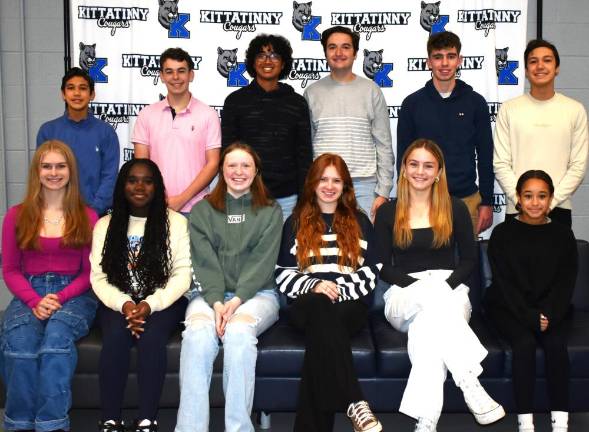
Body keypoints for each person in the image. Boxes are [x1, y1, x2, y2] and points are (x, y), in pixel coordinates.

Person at [374, 139, 505, 431]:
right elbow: (382, 267)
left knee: (428, 330)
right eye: (414, 164)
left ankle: (427, 419)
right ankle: (469, 382)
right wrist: (420, 287)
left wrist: (441, 286)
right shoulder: (387, 212)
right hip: (403, 294)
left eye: (428, 165)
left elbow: (469, 261)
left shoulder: (455, 208)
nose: (420, 171)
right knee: (432, 308)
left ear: (438, 172)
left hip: (450, 289)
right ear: (404, 170)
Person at [175, 143, 283, 432]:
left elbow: (262, 263)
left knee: (238, 333)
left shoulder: (271, 211)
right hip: (209, 295)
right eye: (231, 165)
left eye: (245, 165)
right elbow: (204, 262)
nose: (238, 172)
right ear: (221, 171)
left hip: (258, 294)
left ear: (256, 171)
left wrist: (235, 302)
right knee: (197, 336)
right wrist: (217, 303)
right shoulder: (202, 211)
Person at [275, 153, 382, 432]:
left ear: (345, 186)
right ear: (312, 183)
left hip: (349, 307)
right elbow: (282, 275)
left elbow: (371, 273)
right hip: (305, 305)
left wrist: (338, 290)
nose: (330, 186)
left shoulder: (360, 222)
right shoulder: (295, 222)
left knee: (320, 342)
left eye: (337, 180)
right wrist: (314, 285)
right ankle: (354, 399)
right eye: (323, 179)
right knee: (320, 305)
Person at [1, 140, 98, 432]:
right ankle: (19, 425)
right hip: (28, 293)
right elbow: (10, 269)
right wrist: (34, 300)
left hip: (75, 294)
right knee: (20, 347)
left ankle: (51, 426)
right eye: (47, 166)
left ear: (70, 171)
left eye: (60, 166)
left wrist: (60, 296)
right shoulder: (16, 216)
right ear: (37, 171)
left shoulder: (87, 216)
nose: (53, 172)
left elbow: (89, 273)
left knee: (55, 342)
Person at [90, 159, 191, 432]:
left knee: (151, 338)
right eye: (132, 180)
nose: (139, 186)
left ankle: (147, 419)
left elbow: (182, 275)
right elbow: (98, 277)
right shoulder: (105, 226)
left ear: (157, 187)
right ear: (123, 186)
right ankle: (110, 419)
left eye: (147, 181)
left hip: (163, 301)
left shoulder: (176, 223)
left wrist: (148, 304)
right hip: (117, 301)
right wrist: (125, 305)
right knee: (114, 337)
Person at [484, 170, 577, 432]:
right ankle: (526, 422)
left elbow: (565, 283)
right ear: (518, 198)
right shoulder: (502, 234)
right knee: (523, 344)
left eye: (541, 196)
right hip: (508, 307)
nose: (535, 202)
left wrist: (547, 314)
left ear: (550, 200)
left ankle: (561, 422)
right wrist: (530, 317)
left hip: (552, 310)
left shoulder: (563, 235)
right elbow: (504, 284)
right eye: (528, 196)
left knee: (556, 345)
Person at [396, 31, 494, 236]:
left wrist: (487, 201)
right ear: (428, 62)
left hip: (467, 199)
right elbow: (404, 159)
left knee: (466, 263)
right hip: (423, 200)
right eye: (438, 57)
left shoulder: (475, 103)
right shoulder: (412, 104)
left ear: (459, 60)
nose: (444, 63)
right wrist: (404, 199)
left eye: (450, 56)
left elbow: (485, 156)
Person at [494, 39, 588, 227]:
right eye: (533, 61)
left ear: (557, 68)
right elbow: (501, 163)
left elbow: (578, 166)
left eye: (547, 60)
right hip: (517, 208)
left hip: (558, 208)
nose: (540, 66)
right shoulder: (509, 109)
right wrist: (522, 200)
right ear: (527, 70)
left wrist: (550, 201)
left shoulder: (575, 110)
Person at [304, 26, 394, 219]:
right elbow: (306, 147)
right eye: (332, 47)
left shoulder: (372, 91)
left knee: (364, 247)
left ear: (355, 53)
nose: (338, 53)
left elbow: (384, 144)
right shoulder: (312, 93)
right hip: (323, 186)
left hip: (364, 187)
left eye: (345, 47)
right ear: (325, 52)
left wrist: (383, 191)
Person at [221, 34, 312, 219]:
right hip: (245, 194)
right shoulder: (235, 102)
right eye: (261, 55)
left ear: (283, 63)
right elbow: (227, 153)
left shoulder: (297, 103)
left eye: (274, 56)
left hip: (288, 198)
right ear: (253, 63)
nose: (267, 61)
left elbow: (304, 154)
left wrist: (305, 197)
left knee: (287, 248)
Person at [133, 47, 221, 214]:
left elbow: (213, 164)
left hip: (197, 209)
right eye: (169, 71)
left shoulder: (208, 115)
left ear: (191, 75)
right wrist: (159, 198)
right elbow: (142, 166)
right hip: (156, 206)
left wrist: (182, 198)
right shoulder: (146, 115)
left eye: (181, 71)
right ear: (161, 76)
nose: (175, 77)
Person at [37, 67, 120, 216]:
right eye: (71, 88)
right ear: (63, 94)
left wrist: (93, 212)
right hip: (56, 214)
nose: (76, 93)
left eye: (83, 88)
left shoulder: (106, 132)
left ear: (92, 94)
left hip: (96, 215)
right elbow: (43, 174)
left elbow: (110, 177)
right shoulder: (48, 131)